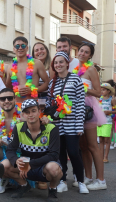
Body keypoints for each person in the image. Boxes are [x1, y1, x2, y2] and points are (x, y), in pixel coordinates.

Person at [0, 100, 62, 202]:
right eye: (27, 112)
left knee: (54, 168)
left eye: (33, 111)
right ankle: (24, 185)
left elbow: (54, 155)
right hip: (26, 167)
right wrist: (16, 161)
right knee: (4, 165)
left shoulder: (52, 129)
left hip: (44, 166)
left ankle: (52, 189)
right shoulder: (18, 127)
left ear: (39, 112)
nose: (30, 114)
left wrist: (31, 164)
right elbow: (10, 150)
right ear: (23, 114)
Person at [45, 52, 87, 194]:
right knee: (60, 153)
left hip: (72, 124)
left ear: (67, 63)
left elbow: (81, 104)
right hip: (57, 125)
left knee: (74, 153)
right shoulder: (52, 82)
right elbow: (49, 104)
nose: (58, 65)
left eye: (61, 62)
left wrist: (79, 125)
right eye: (56, 63)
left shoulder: (76, 79)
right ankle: (62, 180)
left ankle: (80, 181)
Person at [75, 43, 107, 190]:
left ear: (90, 55)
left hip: (88, 109)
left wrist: (83, 88)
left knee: (93, 145)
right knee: (83, 146)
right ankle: (88, 177)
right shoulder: (75, 68)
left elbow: (99, 92)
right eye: (81, 50)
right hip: (76, 109)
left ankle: (101, 181)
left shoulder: (91, 69)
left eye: (86, 52)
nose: (82, 53)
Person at [5, 36, 49, 103]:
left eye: (23, 45)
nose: (20, 48)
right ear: (14, 49)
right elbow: (8, 87)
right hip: (17, 105)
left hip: (32, 105)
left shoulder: (37, 63)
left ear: (27, 48)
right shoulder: (10, 67)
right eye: (17, 46)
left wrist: (33, 90)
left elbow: (47, 83)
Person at [97, 83, 116, 164]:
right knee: (100, 140)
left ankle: (106, 157)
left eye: (104, 90)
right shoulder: (99, 99)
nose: (102, 91)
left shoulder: (112, 100)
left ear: (108, 91)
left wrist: (110, 112)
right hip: (100, 122)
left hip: (108, 122)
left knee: (107, 140)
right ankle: (101, 156)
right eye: (101, 90)